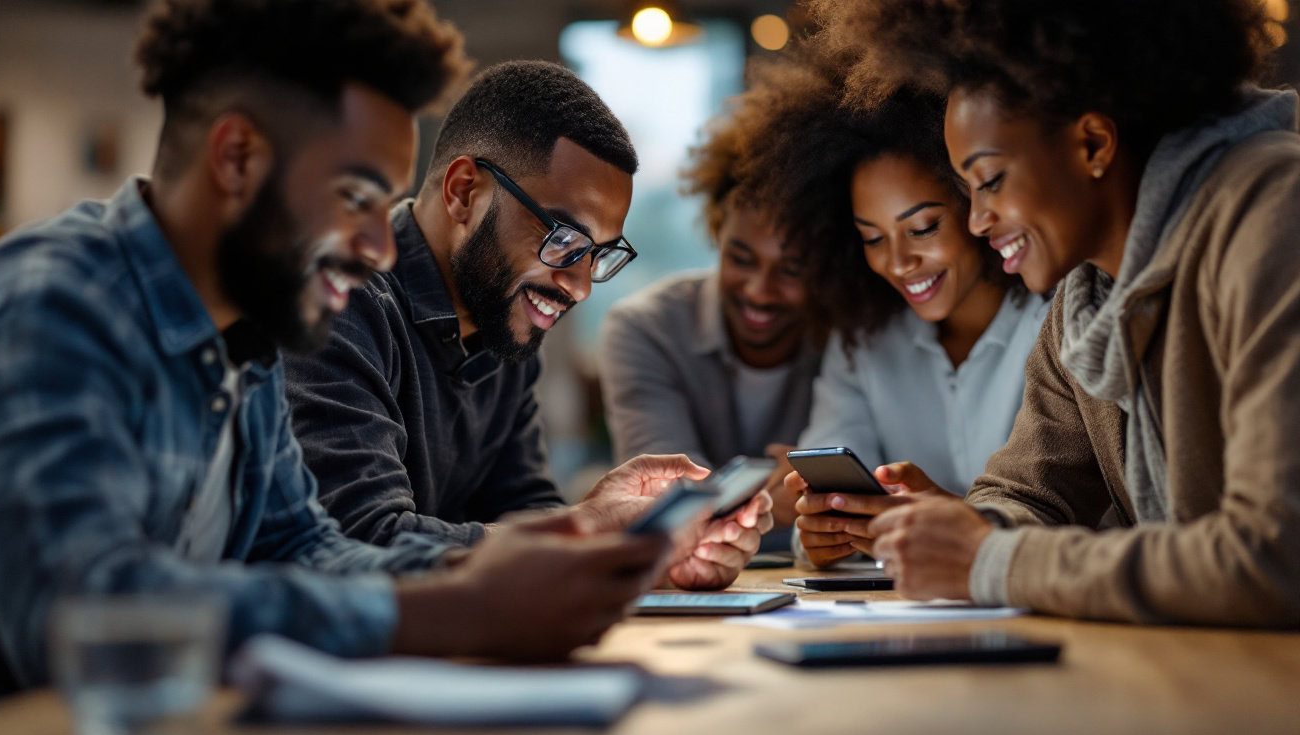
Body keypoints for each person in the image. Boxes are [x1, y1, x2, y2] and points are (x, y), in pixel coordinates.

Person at [0, 0, 679, 707]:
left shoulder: (249, 334)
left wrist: (497, 566)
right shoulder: (53, 303)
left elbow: (304, 545)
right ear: (237, 159)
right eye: (355, 197)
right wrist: (450, 609)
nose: (381, 247)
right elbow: (83, 614)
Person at [792, 0, 1300, 626]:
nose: (978, 220)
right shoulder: (1084, 299)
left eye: (991, 180)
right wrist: (954, 527)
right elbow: (1027, 494)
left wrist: (989, 559)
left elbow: (1276, 556)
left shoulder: (1275, 217)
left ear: (1092, 143)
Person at [284, 60, 772, 591]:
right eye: (563, 241)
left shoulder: (503, 325)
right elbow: (359, 541)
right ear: (464, 192)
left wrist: (646, 552)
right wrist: (587, 527)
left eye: (600, 256)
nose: (581, 287)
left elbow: (521, 512)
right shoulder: (342, 303)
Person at [755, 64, 1046, 568]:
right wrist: (821, 531)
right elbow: (819, 492)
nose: (896, 262)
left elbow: (1078, 510)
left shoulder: (1049, 323)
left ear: (977, 205)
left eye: (924, 227)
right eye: (872, 238)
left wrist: (964, 529)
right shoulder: (863, 343)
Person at [598, 55, 831, 551]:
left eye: (791, 269)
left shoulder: (849, 336)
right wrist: (790, 503)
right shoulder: (645, 329)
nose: (760, 290)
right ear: (715, 233)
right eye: (741, 258)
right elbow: (668, 507)